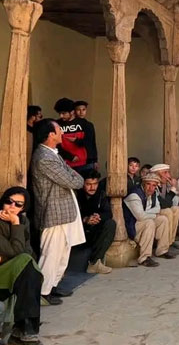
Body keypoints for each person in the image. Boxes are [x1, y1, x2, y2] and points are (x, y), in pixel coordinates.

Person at [30, 118, 85, 305]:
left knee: (62, 253)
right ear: (50, 134)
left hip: (63, 212)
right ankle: (43, 292)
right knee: (51, 254)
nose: (62, 132)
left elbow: (73, 176)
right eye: (59, 130)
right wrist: (75, 178)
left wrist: (75, 177)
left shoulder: (53, 154)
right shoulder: (44, 158)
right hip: (53, 213)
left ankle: (53, 286)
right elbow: (74, 181)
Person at [0, 187, 43, 343]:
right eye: (8, 202)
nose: (12, 207)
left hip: (14, 269)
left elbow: (27, 251)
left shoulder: (24, 221)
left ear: (23, 208)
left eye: (18, 204)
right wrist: (15, 223)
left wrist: (17, 223)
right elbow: (16, 251)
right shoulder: (18, 222)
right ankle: (26, 328)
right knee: (26, 262)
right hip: (3, 274)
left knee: (29, 265)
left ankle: (25, 328)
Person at [123, 173, 172, 266]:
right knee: (149, 222)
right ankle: (144, 258)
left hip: (142, 221)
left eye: (154, 185)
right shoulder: (134, 195)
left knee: (163, 219)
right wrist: (153, 214)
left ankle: (162, 250)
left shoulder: (153, 193)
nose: (151, 188)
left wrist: (148, 213)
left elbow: (158, 208)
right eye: (148, 184)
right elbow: (140, 216)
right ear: (143, 184)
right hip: (131, 226)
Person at [76, 169, 116, 274]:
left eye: (95, 184)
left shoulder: (101, 194)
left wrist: (98, 217)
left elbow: (108, 213)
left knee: (110, 224)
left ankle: (94, 262)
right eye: (88, 184)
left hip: (94, 230)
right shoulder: (76, 194)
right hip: (79, 232)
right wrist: (85, 219)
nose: (92, 187)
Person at [53, 98, 91, 172]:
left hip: (83, 164)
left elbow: (89, 143)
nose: (61, 116)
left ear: (72, 112)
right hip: (64, 164)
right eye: (59, 113)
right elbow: (55, 144)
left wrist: (76, 141)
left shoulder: (84, 124)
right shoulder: (56, 124)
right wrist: (70, 157)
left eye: (64, 113)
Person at [73, 100, 98, 169]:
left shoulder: (89, 125)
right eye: (78, 110)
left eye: (83, 110)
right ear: (74, 111)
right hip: (75, 159)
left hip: (89, 159)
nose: (81, 112)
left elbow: (93, 142)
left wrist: (95, 160)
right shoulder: (72, 126)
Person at [26, 105, 42, 171]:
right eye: (40, 116)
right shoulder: (24, 131)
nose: (41, 119)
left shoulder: (38, 129)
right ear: (32, 117)